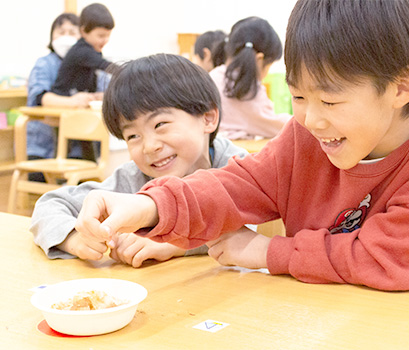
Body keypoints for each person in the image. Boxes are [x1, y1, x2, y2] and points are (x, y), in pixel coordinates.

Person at [75, 0, 409, 291]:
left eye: (330, 100)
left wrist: (269, 251)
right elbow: (242, 184)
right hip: (333, 305)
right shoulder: (312, 130)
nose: (310, 119)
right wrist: (151, 206)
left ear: (402, 85)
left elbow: (396, 258)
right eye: (297, 97)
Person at [30, 53, 249, 267]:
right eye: (133, 136)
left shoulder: (234, 166)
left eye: (160, 124)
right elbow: (50, 204)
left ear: (207, 118)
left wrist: (176, 244)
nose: (149, 146)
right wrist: (75, 238)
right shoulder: (133, 178)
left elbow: (246, 226)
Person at [26, 13, 95, 181]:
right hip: (44, 146)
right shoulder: (44, 64)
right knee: (42, 188)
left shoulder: (88, 65)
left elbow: (104, 92)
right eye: (61, 32)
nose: (65, 37)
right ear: (52, 36)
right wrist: (73, 102)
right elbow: (40, 98)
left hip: (80, 144)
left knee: (82, 188)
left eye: (72, 33)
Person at [210, 16, 292, 140]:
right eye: (269, 66)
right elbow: (278, 126)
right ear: (259, 60)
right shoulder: (248, 88)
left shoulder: (213, 76)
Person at [51, 3, 114, 99]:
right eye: (101, 36)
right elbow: (107, 66)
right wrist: (131, 71)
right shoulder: (82, 51)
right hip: (63, 100)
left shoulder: (94, 50)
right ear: (84, 31)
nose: (105, 40)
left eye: (108, 35)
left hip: (78, 101)